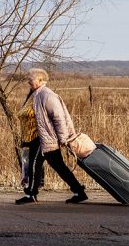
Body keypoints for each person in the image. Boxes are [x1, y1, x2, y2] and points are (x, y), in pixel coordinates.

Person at [15, 68, 88, 205]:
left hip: (44, 139)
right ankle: (79, 192)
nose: (28, 80)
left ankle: (31, 194)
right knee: (59, 166)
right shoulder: (34, 94)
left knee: (34, 165)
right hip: (37, 138)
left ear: (41, 80)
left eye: (31, 78)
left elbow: (59, 118)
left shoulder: (47, 95)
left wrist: (63, 139)